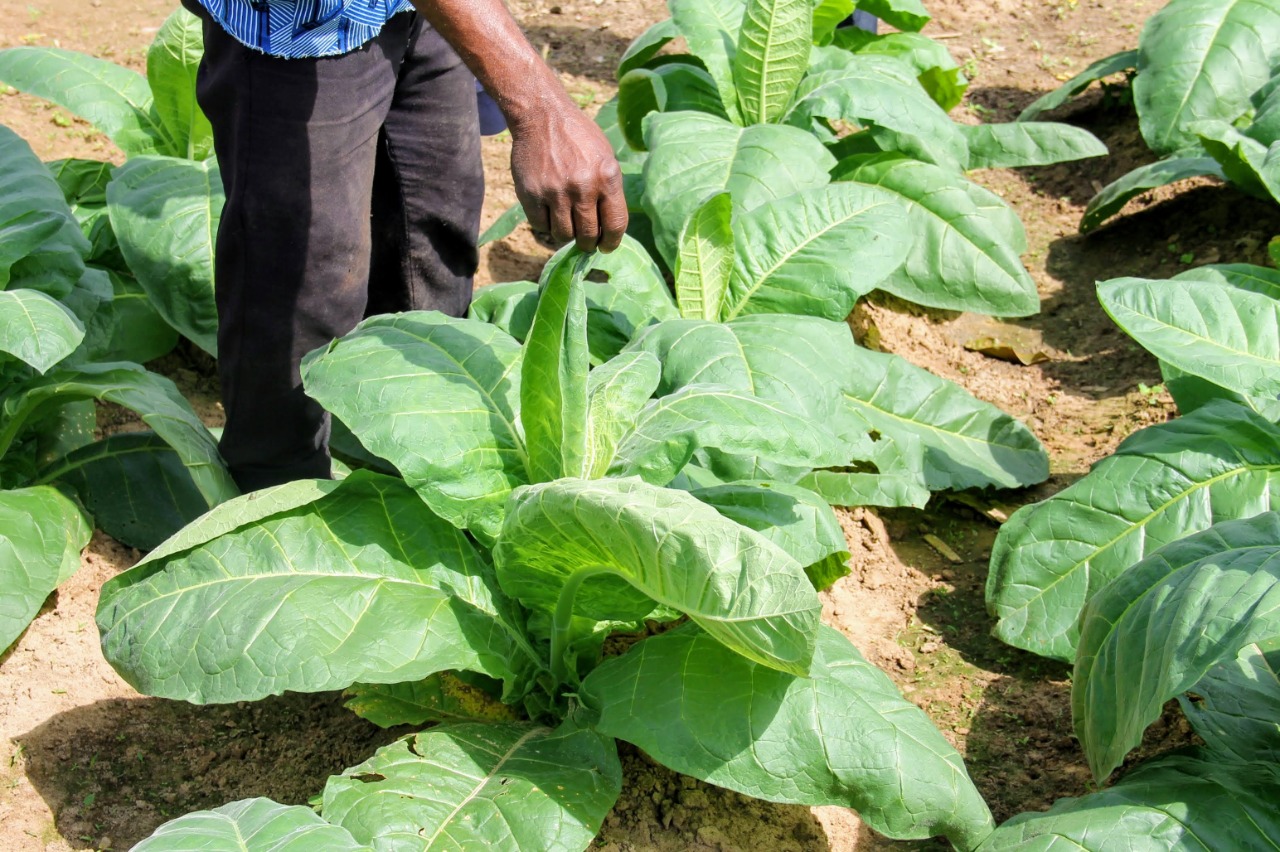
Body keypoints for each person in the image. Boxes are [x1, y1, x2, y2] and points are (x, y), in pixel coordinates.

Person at [179, 0, 628, 491]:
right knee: (304, 285)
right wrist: (541, 109)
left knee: (434, 242)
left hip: (422, 12)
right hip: (299, 27)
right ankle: (272, 502)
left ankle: (422, 481)